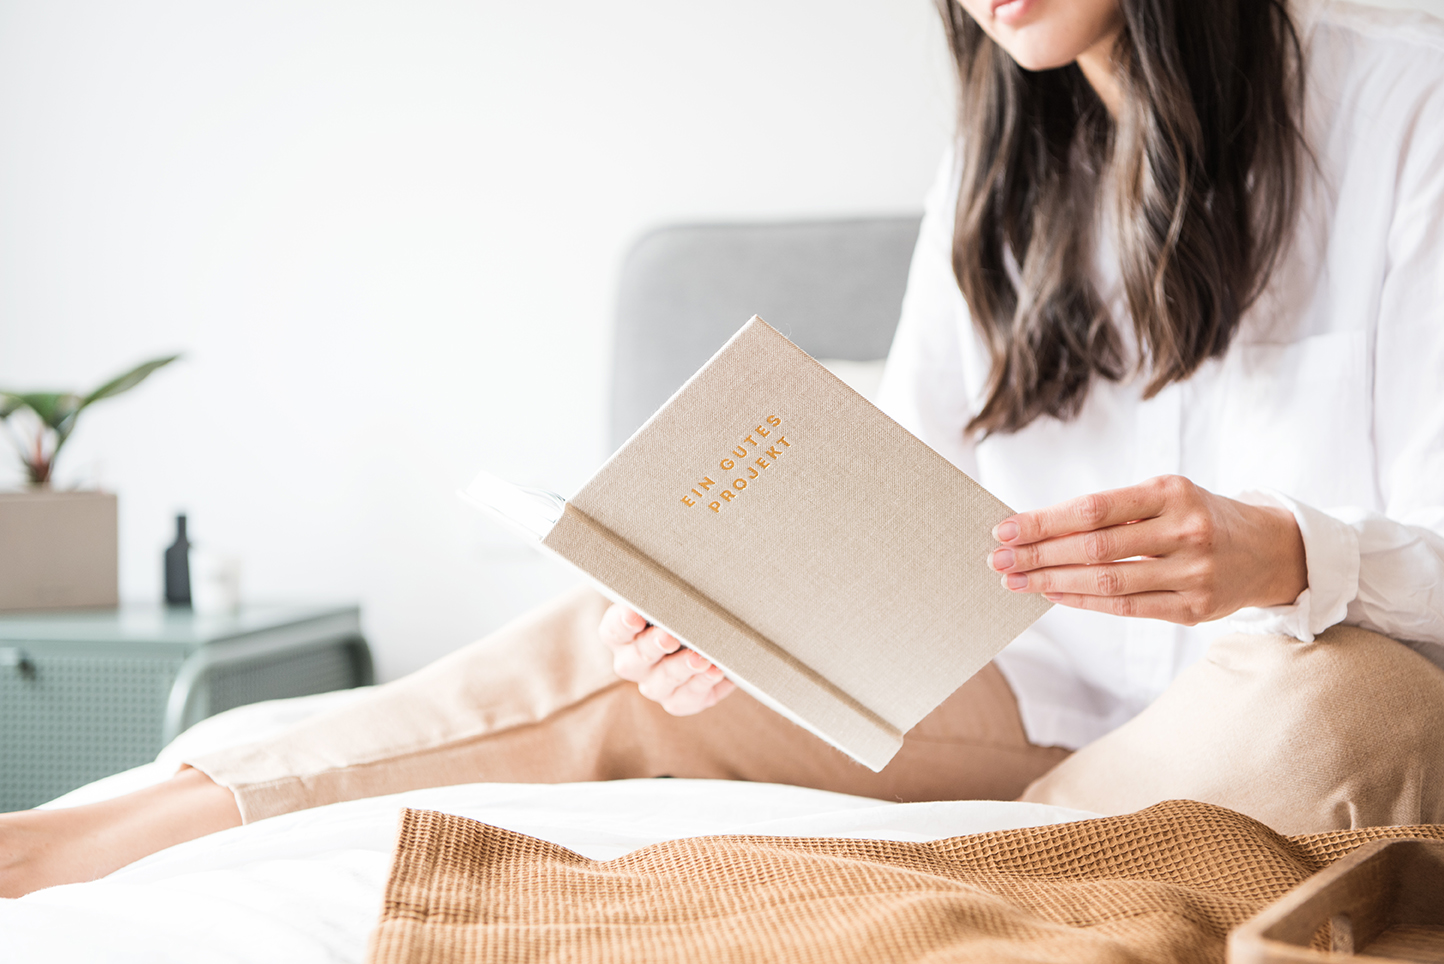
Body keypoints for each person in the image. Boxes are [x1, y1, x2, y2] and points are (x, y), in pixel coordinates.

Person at [5, 0, 1444, 899]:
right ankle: (95, 835)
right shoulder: (1001, 170)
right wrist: (758, 616)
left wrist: (1290, 551)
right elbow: (921, 513)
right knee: (600, 641)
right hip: (1036, 701)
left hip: (1283, 690)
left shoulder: (1410, 105)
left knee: (1351, 714)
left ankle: (951, 872)